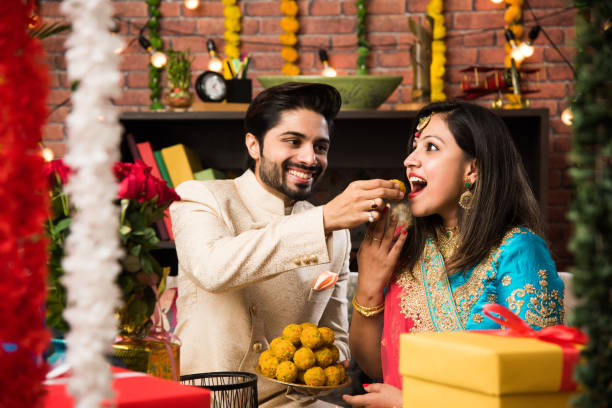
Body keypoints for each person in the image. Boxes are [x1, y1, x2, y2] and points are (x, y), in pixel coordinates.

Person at [169, 82, 404, 406]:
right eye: (293, 141)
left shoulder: (335, 232)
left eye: (320, 147)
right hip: (207, 402)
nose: (310, 158)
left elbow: (334, 335)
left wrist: (332, 358)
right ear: (254, 145)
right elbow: (213, 269)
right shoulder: (199, 197)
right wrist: (322, 219)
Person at [342, 101, 565, 408]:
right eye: (414, 147)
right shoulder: (405, 243)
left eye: (431, 147)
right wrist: (367, 287)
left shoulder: (518, 251)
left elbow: (535, 386)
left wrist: (413, 402)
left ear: (472, 169)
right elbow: (378, 368)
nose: (409, 160)